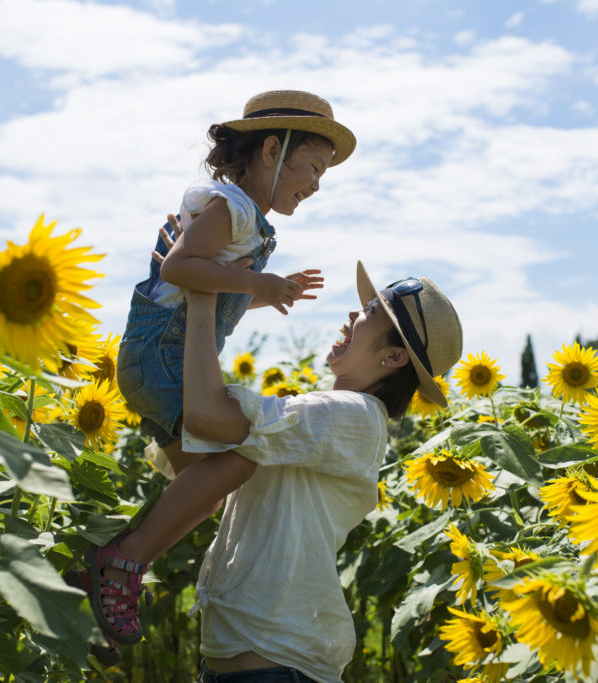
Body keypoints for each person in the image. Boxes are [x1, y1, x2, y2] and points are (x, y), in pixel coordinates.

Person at [91, 260, 463, 682]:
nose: (352, 314)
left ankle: (122, 561)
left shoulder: (354, 416)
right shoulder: (311, 423)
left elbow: (207, 418)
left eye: (371, 312)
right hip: (239, 666)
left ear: (394, 356)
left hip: (279, 667)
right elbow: (198, 468)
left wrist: (204, 291)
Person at [82, 91, 357, 649]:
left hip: (165, 356)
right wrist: (260, 283)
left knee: (202, 492)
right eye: (312, 168)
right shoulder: (229, 207)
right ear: (271, 151)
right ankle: (122, 562)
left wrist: (265, 294)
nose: (317, 184)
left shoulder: (245, 219)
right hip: (163, 357)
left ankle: (102, 571)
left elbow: (207, 287)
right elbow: (184, 268)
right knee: (235, 461)